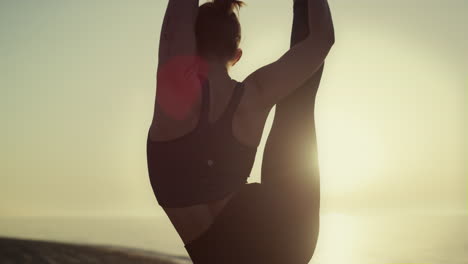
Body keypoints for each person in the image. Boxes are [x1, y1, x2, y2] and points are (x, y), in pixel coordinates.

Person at [146, 0, 334, 263]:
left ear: (190, 44)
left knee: (296, 105)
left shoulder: (175, 89)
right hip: (288, 239)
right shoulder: (255, 94)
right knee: (297, 104)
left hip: (262, 252)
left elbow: (176, 28)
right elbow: (321, 39)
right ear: (236, 55)